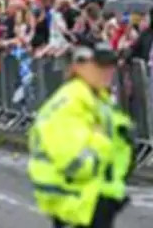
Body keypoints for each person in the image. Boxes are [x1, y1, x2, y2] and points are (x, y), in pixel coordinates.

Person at [28, 39, 135, 228]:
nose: (108, 71)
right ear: (79, 65)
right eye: (100, 65)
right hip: (78, 203)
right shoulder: (72, 102)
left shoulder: (95, 98)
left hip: (89, 201)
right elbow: (75, 163)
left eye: (111, 65)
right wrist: (101, 141)